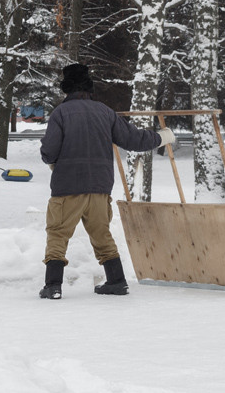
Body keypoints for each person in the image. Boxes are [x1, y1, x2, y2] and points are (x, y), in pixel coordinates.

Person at [38, 63, 174, 299]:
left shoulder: (60, 113)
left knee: (58, 234)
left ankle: (53, 286)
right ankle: (117, 281)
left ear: (67, 88)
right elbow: (133, 140)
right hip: (100, 187)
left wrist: (52, 160)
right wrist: (162, 137)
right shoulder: (105, 111)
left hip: (67, 187)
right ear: (89, 88)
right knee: (102, 233)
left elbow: (49, 152)